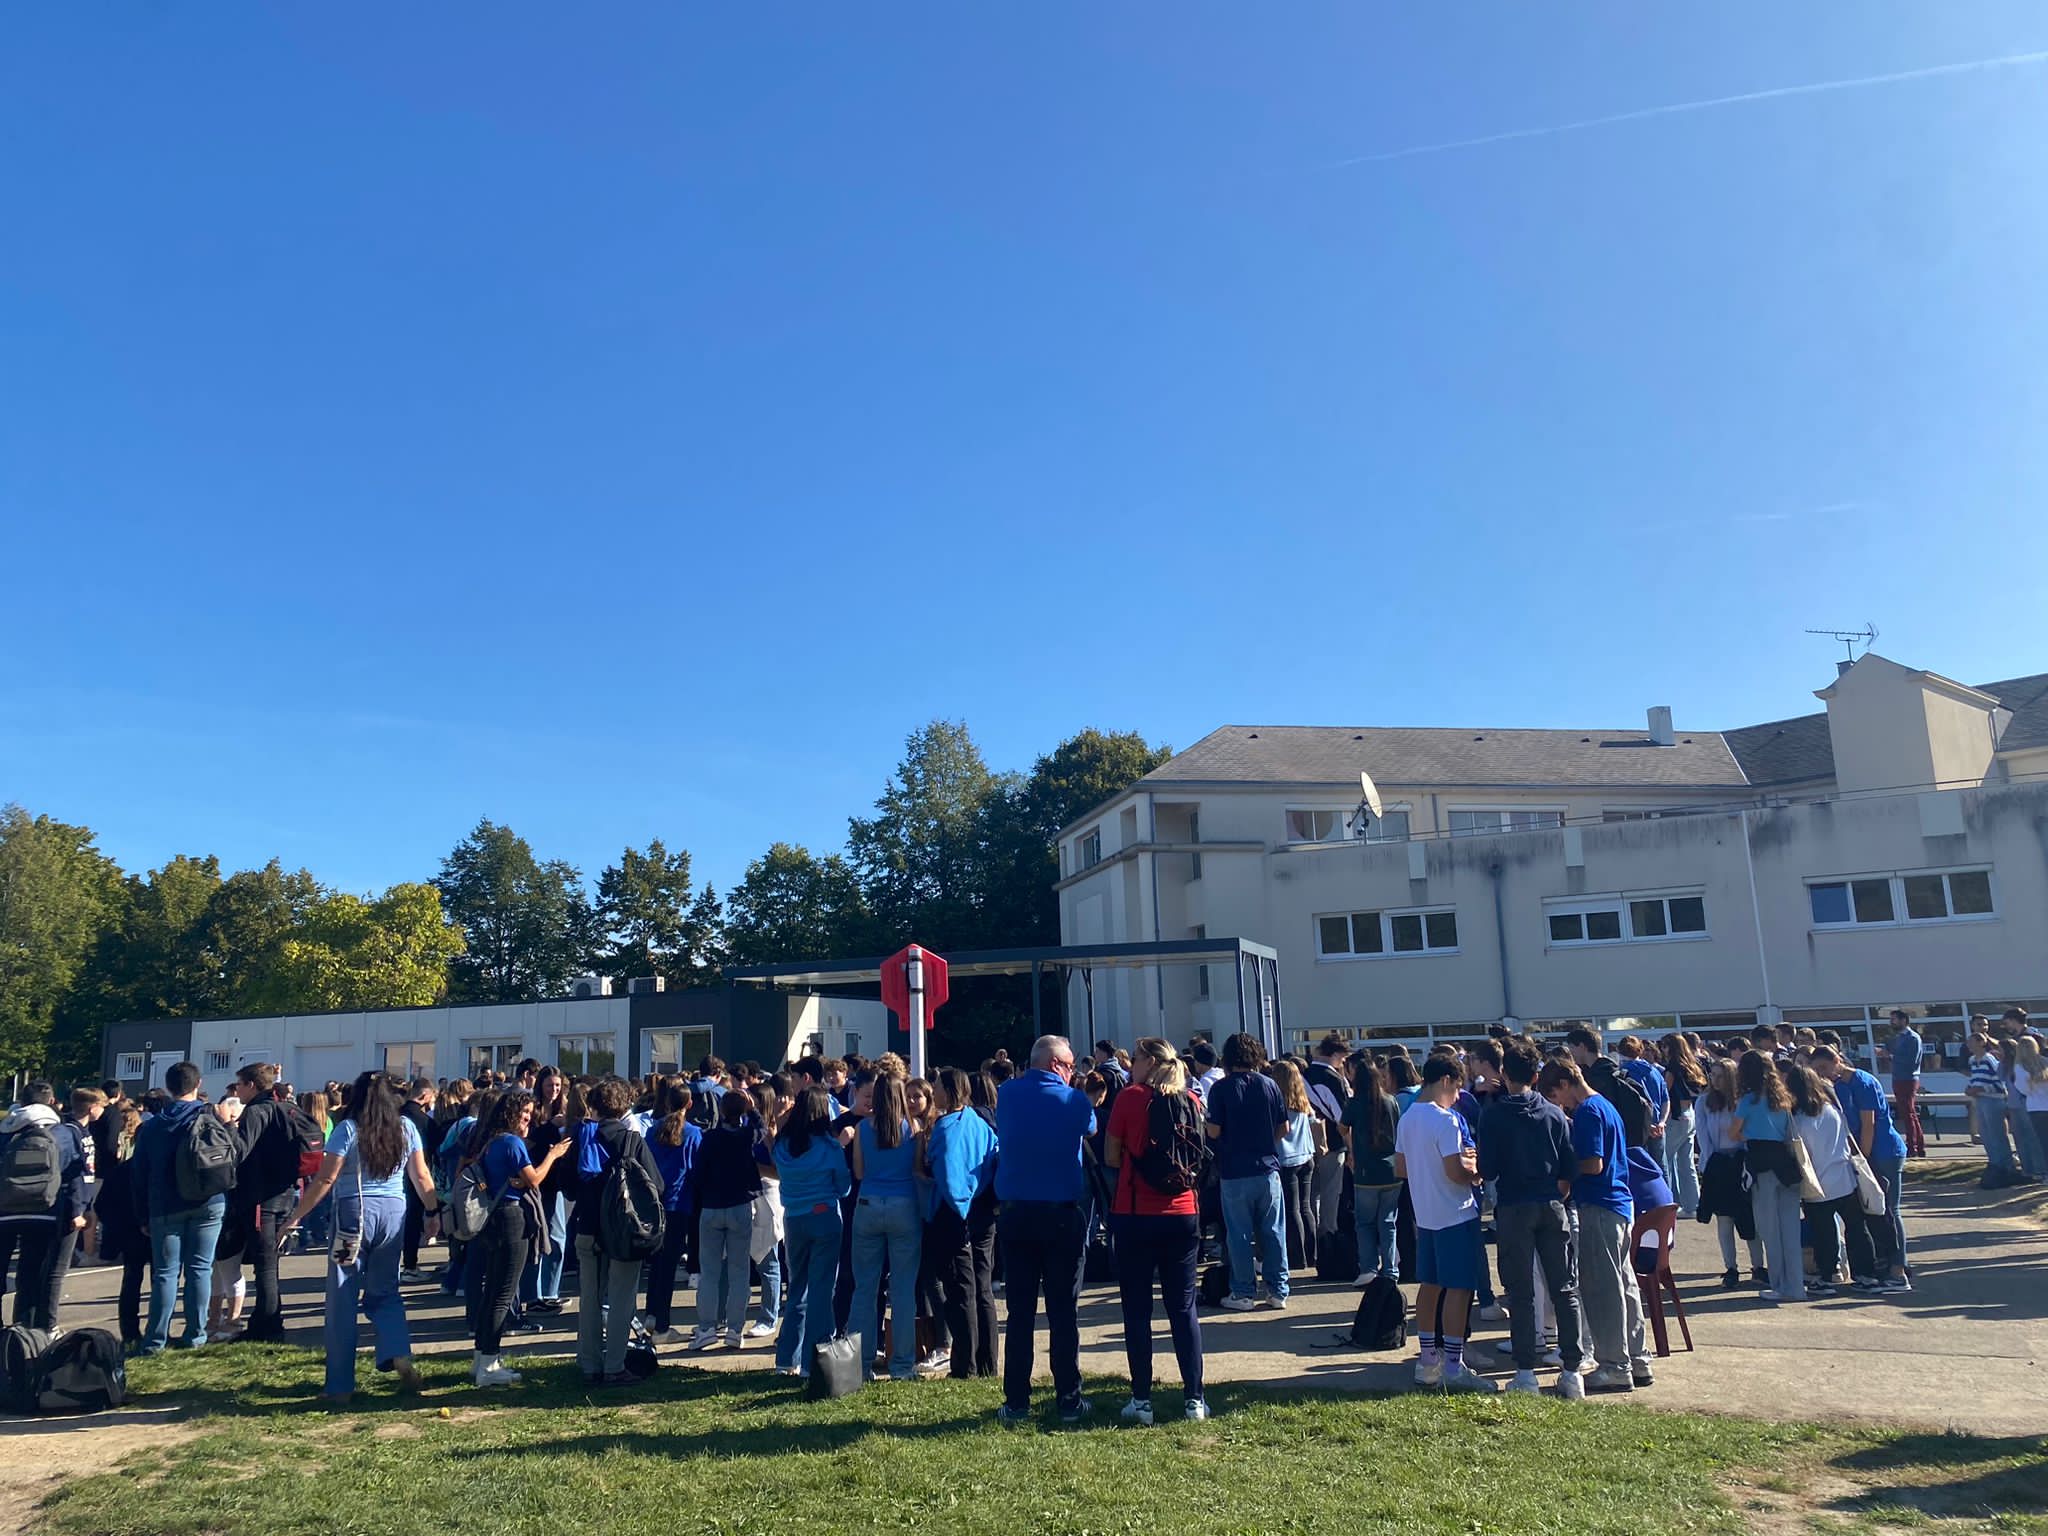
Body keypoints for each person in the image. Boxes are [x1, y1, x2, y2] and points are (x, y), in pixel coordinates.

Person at [280, 1071, 438, 1402]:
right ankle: (398, 1351)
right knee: (387, 1292)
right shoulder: (406, 1128)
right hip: (393, 1215)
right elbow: (421, 1175)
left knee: (342, 1297)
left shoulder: (347, 1130)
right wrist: (432, 1212)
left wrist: (295, 1217)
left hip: (353, 1216)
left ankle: (339, 1386)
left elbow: (326, 1179)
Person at [1103, 1037, 1208, 1425]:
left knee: (1137, 1309)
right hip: (1183, 1211)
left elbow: (1111, 1155)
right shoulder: (1192, 1100)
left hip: (1135, 1211)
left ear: (1147, 1061)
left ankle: (1142, 1399)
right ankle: (1194, 1398)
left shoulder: (1131, 1098)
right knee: (1183, 1308)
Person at [994, 1034, 1096, 1425]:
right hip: (1060, 1213)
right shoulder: (1073, 1100)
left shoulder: (1008, 1094)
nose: (1073, 1072)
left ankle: (1016, 1401)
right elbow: (1089, 1130)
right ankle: (1068, 1398)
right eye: (1070, 1066)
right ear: (1057, 1065)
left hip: (1017, 1212)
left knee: (1020, 1312)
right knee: (1063, 1312)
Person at [1479, 1044, 1586, 1398]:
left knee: (1520, 1291)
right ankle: (1572, 1370)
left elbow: (1487, 1169)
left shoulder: (1493, 1116)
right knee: (1564, 1286)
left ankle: (1525, 1372)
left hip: (1513, 1205)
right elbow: (1569, 1166)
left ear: (1503, 1075)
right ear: (1537, 1077)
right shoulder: (1554, 1114)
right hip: (1551, 1203)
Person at [1538, 1057, 1645, 1393]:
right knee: (1625, 1286)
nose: (1560, 1104)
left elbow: (1593, 1163)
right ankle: (1638, 1358)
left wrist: (1563, 1166)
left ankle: (1614, 1365)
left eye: (1557, 1095)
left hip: (1599, 1205)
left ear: (1566, 1084)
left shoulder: (1587, 1111)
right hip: (1620, 1204)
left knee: (1602, 1290)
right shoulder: (1605, 1105)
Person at [1395, 1056, 1496, 1393]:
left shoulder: (1408, 1117)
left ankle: (1427, 1360)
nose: (1460, 1094)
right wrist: (1478, 1170)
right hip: (1456, 1212)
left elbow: (1401, 1168)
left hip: (1426, 1215)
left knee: (1431, 1285)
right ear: (1447, 1080)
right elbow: (1456, 1173)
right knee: (1460, 1288)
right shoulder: (1446, 1120)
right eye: (1459, 1085)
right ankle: (1453, 1366)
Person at [467, 1089, 572, 1387]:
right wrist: (552, 1154)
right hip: (511, 1217)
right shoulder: (511, 1143)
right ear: (509, 1114)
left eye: (529, 1113)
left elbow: (520, 1178)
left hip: (495, 1216)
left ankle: (482, 1359)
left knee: (493, 1293)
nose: (527, 1118)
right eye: (523, 1113)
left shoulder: (492, 1142)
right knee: (503, 1293)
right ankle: (489, 1362)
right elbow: (534, 1179)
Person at [572, 1077, 664, 1386]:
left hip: (587, 1226)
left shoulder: (582, 1136)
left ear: (593, 1105)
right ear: (625, 1105)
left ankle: (589, 1362)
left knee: (589, 1298)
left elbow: (567, 1186)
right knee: (623, 1297)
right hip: (623, 1229)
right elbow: (657, 1185)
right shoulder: (631, 1140)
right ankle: (615, 1365)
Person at [132, 1061, 228, 1354]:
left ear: (169, 1087)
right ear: (197, 1085)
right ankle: (196, 1334)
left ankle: (156, 1338)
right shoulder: (211, 1118)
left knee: (165, 1272)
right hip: (209, 1200)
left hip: (165, 1203)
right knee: (200, 1268)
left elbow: (139, 1175)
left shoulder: (152, 1127)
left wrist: (142, 1214)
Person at [1814, 1046, 1911, 1293]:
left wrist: (1862, 1160)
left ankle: (1898, 1270)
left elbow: (1868, 1125)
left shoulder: (1862, 1081)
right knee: (1872, 1212)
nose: (1822, 1074)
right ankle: (1882, 1265)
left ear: (1837, 1060)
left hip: (1883, 1152)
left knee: (1888, 1209)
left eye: (1824, 1068)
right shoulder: (1839, 1086)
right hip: (1864, 1155)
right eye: (1817, 1071)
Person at [1203, 1032, 1288, 1313]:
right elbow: (1283, 1127)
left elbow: (1214, 1130)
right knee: (1273, 1232)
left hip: (1234, 1170)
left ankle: (1243, 1292)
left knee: (1239, 1235)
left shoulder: (1221, 1089)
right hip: (1267, 1168)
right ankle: (1278, 1290)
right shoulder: (1270, 1085)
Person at [772, 1086, 852, 1380]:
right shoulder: (829, 1146)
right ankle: (813, 1361)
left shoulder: (782, 1144)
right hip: (825, 1215)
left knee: (797, 1288)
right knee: (822, 1290)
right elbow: (843, 1186)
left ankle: (786, 1359)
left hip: (793, 1217)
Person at [925, 1065, 999, 1381]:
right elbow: (995, 1154)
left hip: (957, 1216)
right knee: (982, 1288)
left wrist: (959, 1209)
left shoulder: (946, 1128)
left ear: (948, 1090)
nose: (933, 1091)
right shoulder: (978, 1122)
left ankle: (965, 1365)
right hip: (983, 1211)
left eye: (936, 1086)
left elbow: (949, 1175)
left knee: (960, 1291)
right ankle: (987, 1362)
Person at [230, 1063, 313, 1342]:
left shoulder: (256, 1111)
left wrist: (229, 1126)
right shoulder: (287, 1108)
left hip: (260, 1196)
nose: (237, 1090)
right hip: (286, 1192)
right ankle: (270, 1319)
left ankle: (266, 1326)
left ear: (252, 1085)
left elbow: (240, 1150)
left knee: (264, 1264)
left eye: (240, 1084)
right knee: (271, 1261)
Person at [848, 1073, 922, 1381]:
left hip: (868, 1204)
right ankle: (903, 1365)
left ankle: (859, 1366)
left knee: (864, 1288)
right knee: (903, 1290)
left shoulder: (864, 1128)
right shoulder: (914, 1129)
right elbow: (917, 1170)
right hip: (904, 1205)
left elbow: (860, 1172)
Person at [0, 1082, 90, 1331]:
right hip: (45, 1209)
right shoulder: (63, 1132)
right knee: (34, 1273)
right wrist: (78, 1211)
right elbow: (75, 1175)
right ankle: (34, 1331)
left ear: (22, 1102)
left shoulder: (5, 1130)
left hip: (5, 1210)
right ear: (52, 1102)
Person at [1787, 1065, 1875, 1293]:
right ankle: (1865, 1274)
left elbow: (1802, 1153)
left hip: (1817, 1182)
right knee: (1856, 1228)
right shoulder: (1832, 1110)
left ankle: (1828, 1274)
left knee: (1824, 1232)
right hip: (1844, 1177)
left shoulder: (1798, 1120)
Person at [1732, 1050, 1808, 1303]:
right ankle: (1796, 1286)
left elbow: (1735, 1133)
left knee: (1769, 1229)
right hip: (1786, 1166)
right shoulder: (1783, 1098)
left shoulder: (1748, 1100)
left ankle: (1778, 1285)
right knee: (1790, 1229)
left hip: (1761, 1163)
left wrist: (1749, 1134)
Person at [692, 1087, 760, 1350]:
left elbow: (697, 1174)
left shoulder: (709, 1138)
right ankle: (735, 1329)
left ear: (721, 1111)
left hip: (711, 1206)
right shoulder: (746, 1136)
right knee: (739, 1271)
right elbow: (762, 1130)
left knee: (709, 1272)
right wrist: (752, 1109)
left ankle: (707, 1327)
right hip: (740, 1205)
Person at [1694, 1061, 1764, 1286]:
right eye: (1712, 1075)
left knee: (1749, 1218)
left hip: (1741, 1162)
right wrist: (1708, 1167)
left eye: (1720, 1076)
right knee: (1724, 1220)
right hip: (1718, 1163)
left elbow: (1748, 1132)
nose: (1715, 1080)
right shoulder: (1704, 1102)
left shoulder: (1743, 1101)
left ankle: (1758, 1266)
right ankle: (1731, 1268)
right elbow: (1703, 1137)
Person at [640, 1080, 699, 1345]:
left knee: (656, 1266)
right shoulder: (694, 1133)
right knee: (668, 1266)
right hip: (679, 1204)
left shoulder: (652, 1131)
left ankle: (651, 1316)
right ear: (690, 1104)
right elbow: (696, 1169)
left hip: (655, 1204)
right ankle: (662, 1325)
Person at [1341, 1056, 1403, 1284]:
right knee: (1388, 1223)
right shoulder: (1391, 1101)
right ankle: (1390, 1270)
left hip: (1366, 1172)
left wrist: (1351, 1150)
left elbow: (1341, 1127)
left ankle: (1369, 1268)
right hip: (1391, 1170)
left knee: (1365, 1223)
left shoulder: (1355, 1103)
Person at [1267, 1059, 1321, 1271]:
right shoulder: (1303, 1102)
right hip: (1306, 1156)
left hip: (1286, 1159)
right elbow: (1314, 1124)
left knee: (1292, 1210)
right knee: (1306, 1208)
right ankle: (1312, 1254)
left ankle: (1297, 1257)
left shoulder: (1277, 1104)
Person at [1303, 1034, 1352, 1253]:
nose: (1343, 1063)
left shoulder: (1303, 1075)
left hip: (1307, 1145)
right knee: (1331, 1195)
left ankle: (1310, 1242)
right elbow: (1342, 1117)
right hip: (1333, 1144)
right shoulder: (1333, 1078)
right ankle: (1328, 1241)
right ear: (1334, 1055)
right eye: (1342, 1058)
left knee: (1310, 1197)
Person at [1660, 1034, 1708, 1218]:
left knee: (1667, 1160)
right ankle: (1693, 1204)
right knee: (1686, 1163)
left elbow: (1665, 1091)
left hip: (1676, 1116)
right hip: (1690, 1114)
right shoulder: (1693, 1065)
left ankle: (1672, 1202)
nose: (1662, 1050)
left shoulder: (1672, 1067)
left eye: (1664, 1046)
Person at [398, 1079, 437, 1281]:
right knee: (413, 1220)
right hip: (416, 1174)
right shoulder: (424, 1121)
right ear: (424, 1096)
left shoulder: (394, 1115)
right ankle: (410, 1266)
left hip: (393, 1175)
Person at [1887, 1010, 1926, 1160]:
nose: (1892, 1022)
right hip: (1898, 1078)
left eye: (1894, 1019)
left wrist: (1890, 1056)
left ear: (1904, 1020)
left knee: (1909, 1114)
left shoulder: (1912, 1038)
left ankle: (1914, 1147)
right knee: (1908, 1114)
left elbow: (1912, 1061)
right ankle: (1917, 1146)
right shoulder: (1899, 1038)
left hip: (1908, 1079)